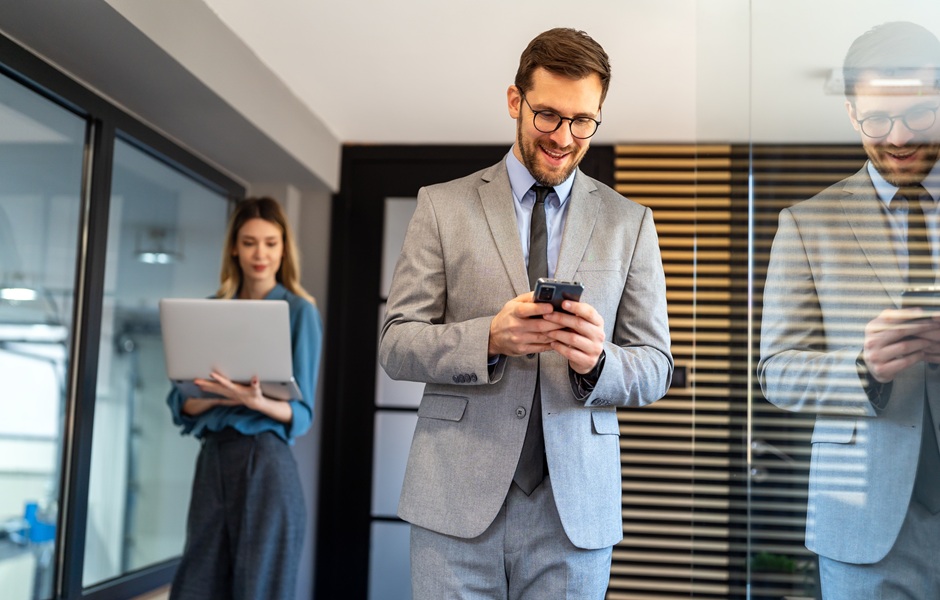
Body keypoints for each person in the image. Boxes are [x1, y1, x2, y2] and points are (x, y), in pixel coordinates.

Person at [379, 28, 673, 599]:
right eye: (548, 116)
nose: (564, 137)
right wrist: (487, 337)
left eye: (583, 120)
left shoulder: (630, 223)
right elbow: (395, 343)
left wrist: (598, 361)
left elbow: (656, 366)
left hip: (574, 515)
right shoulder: (442, 206)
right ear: (515, 101)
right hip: (454, 504)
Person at [759, 21, 940, 598]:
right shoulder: (809, 224)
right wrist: (864, 370)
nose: (898, 137)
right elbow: (777, 372)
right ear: (850, 113)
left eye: (917, 115)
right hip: (865, 524)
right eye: (877, 120)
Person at [166, 197, 322, 600]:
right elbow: (180, 406)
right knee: (197, 584)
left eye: (271, 243)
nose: (260, 253)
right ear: (234, 247)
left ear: (284, 248)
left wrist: (252, 400)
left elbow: (301, 415)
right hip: (213, 459)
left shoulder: (299, 312)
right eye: (250, 242)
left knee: (259, 589)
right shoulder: (210, 311)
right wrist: (223, 397)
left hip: (265, 462)